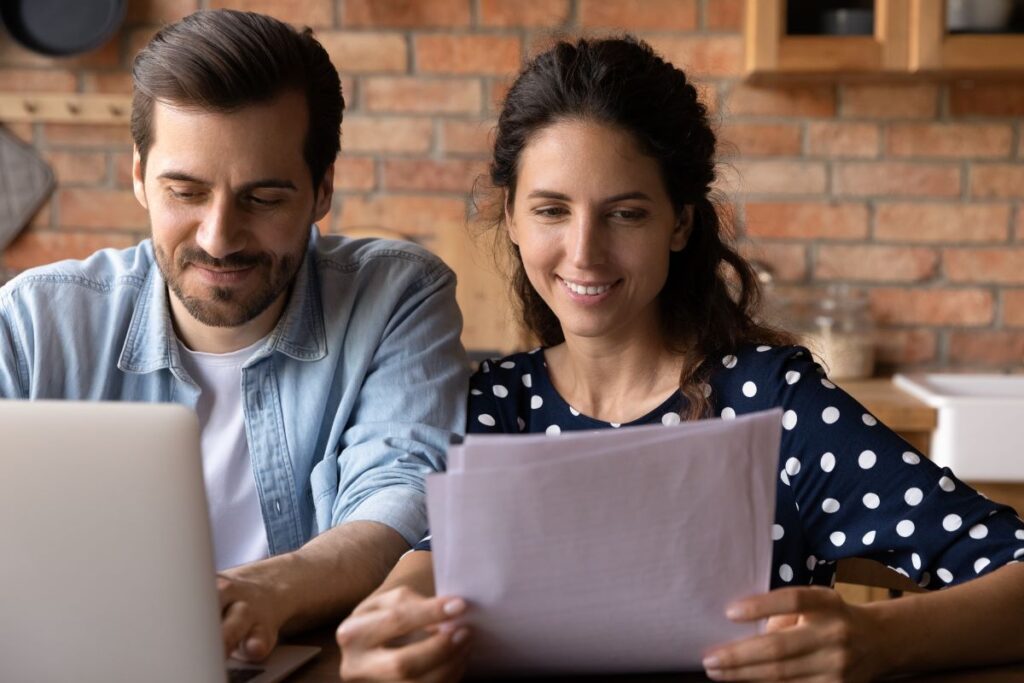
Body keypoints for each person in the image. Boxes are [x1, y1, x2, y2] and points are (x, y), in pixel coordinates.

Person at [335, 36, 1024, 682]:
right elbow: (418, 570)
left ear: (681, 223)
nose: (584, 251)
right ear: (511, 217)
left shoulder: (771, 405)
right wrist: (383, 633)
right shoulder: (483, 406)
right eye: (551, 210)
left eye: (626, 213)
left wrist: (881, 639)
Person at [0, 9, 469, 663]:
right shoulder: (29, 322)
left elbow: (402, 494)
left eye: (264, 198)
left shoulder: (395, 297)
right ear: (139, 175)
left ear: (322, 187)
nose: (218, 237)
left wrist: (266, 591)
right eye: (184, 191)